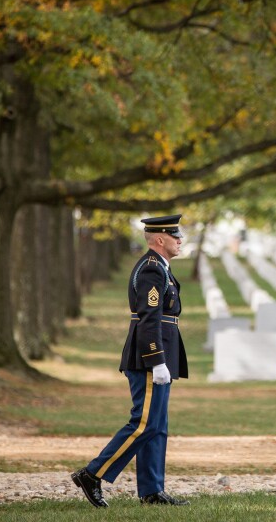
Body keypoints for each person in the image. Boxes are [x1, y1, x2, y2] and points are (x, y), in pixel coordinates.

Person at [71, 214, 189, 508]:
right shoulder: (151, 270)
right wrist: (157, 360)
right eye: (176, 237)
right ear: (159, 239)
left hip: (159, 357)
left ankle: (151, 490)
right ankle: (92, 474)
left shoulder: (161, 268)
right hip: (149, 358)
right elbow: (149, 320)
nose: (181, 240)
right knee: (143, 423)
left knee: (157, 426)